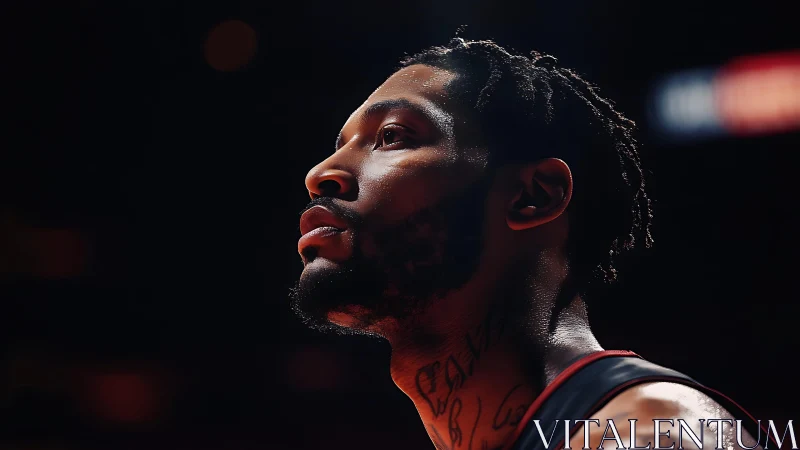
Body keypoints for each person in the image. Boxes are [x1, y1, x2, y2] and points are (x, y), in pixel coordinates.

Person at [291, 38, 768, 450]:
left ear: (532, 197)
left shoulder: (652, 432)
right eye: (340, 144)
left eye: (392, 136)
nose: (320, 174)